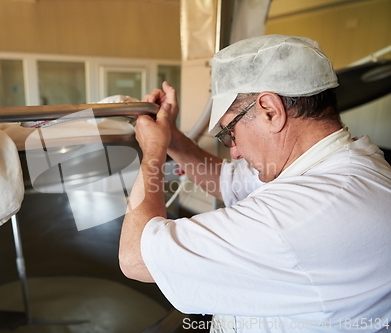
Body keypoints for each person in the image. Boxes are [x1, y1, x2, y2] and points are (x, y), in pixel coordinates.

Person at [118, 34, 391, 332]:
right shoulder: (343, 163)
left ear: (270, 112)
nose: (233, 150)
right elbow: (225, 179)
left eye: (229, 132)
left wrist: (153, 150)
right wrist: (169, 135)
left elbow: (135, 257)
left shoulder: (303, 213)